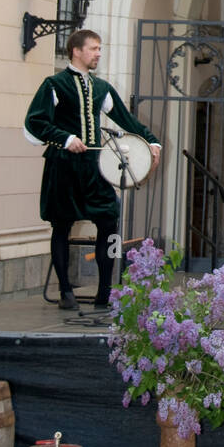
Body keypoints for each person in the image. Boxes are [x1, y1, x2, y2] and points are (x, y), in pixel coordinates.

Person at [24, 29, 161, 310]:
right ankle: (65, 291)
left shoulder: (101, 88)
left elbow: (125, 119)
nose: (98, 53)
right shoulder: (55, 84)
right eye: (94, 48)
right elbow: (34, 122)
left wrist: (151, 141)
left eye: (99, 49)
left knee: (109, 218)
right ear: (76, 50)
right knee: (61, 224)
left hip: (92, 167)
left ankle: (104, 291)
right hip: (62, 165)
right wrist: (66, 138)